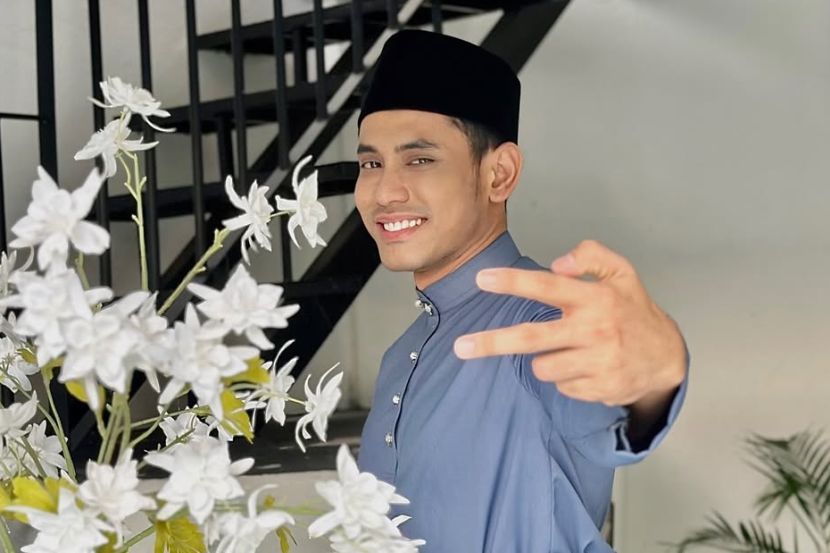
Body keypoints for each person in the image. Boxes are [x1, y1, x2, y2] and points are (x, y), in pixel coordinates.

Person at [353, 29, 689, 552]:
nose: (385, 191)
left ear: (500, 174)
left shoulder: (543, 327)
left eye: (419, 160)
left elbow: (623, 391)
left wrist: (660, 368)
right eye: (371, 163)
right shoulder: (402, 355)